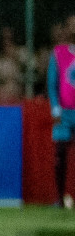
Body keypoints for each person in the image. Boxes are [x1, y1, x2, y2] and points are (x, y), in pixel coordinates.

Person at [49, 19, 75, 208]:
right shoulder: (59, 53)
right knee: (60, 155)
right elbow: (52, 83)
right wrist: (55, 107)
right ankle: (59, 197)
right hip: (64, 114)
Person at [0, 25, 27, 102]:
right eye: (4, 39)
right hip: (1, 101)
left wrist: (15, 57)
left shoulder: (23, 54)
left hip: (18, 100)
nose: (7, 42)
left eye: (10, 39)